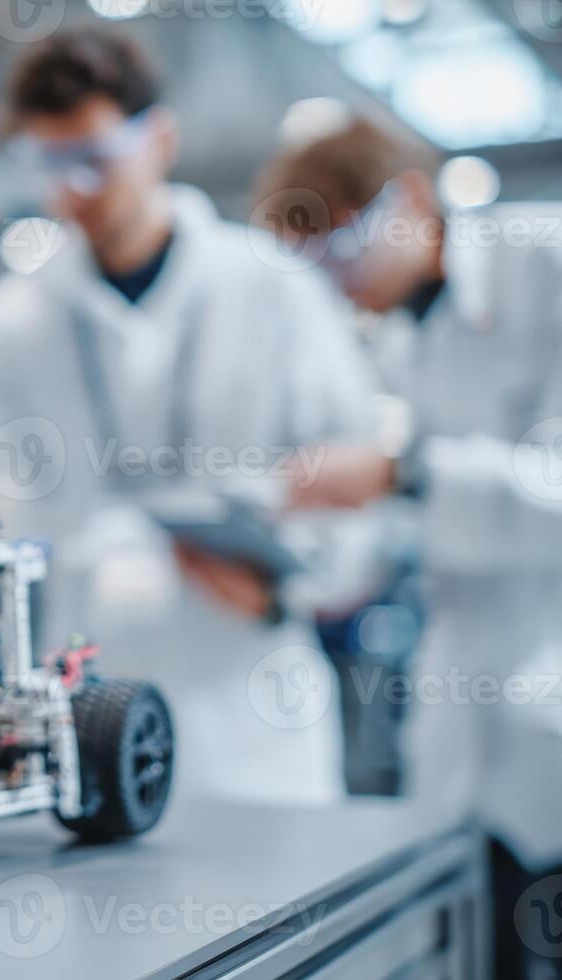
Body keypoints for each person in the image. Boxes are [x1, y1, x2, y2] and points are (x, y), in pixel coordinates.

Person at [0, 32, 380, 805]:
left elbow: (356, 477)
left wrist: (288, 590)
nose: (74, 189)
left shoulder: (274, 290)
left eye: (94, 156)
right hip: (81, 711)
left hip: (252, 711)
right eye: (46, 165)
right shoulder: (4, 328)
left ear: (159, 139)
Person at [256, 117, 562, 976]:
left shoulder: (546, 263)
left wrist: (406, 473)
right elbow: (402, 533)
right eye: (315, 262)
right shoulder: (395, 342)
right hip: (471, 727)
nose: (339, 280)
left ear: (416, 198)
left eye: (346, 242)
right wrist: (295, 565)